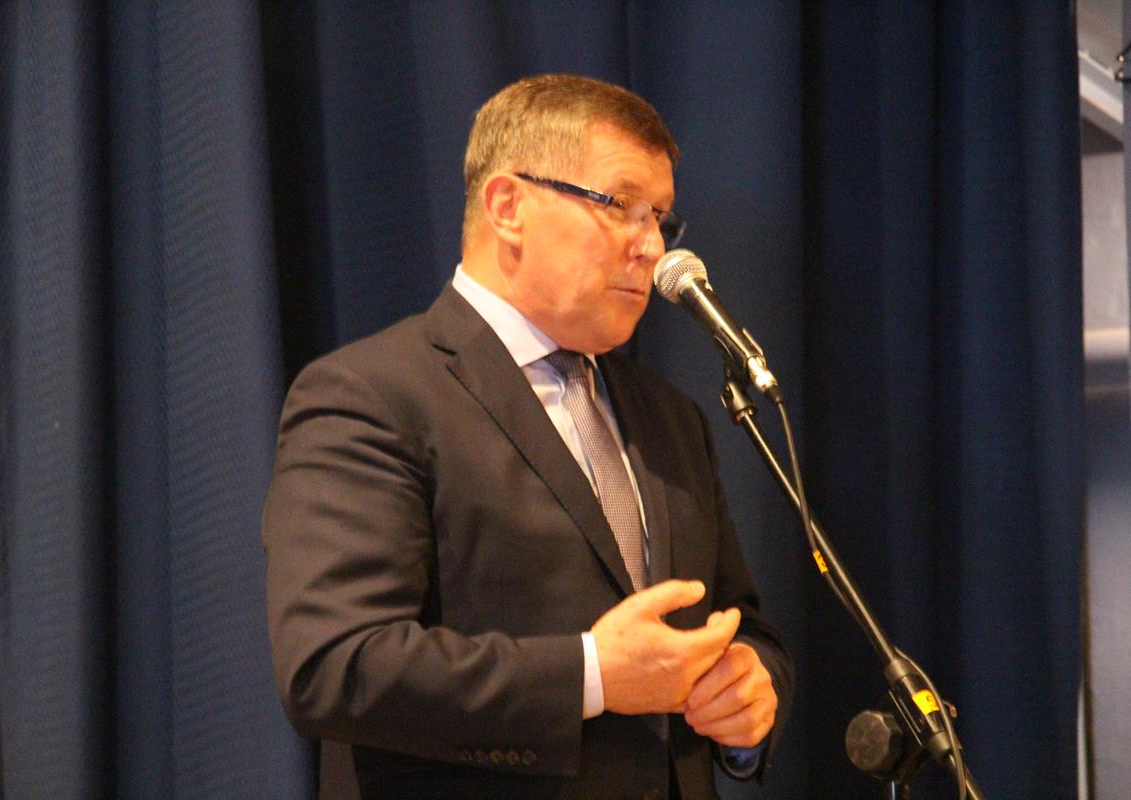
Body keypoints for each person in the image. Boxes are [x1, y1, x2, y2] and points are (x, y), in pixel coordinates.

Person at [263, 74, 793, 800]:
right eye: (621, 206)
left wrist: (752, 691)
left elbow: (738, 622)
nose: (651, 249)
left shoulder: (672, 417)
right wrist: (591, 675)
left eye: (661, 219)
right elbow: (334, 667)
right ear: (508, 207)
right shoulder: (371, 395)